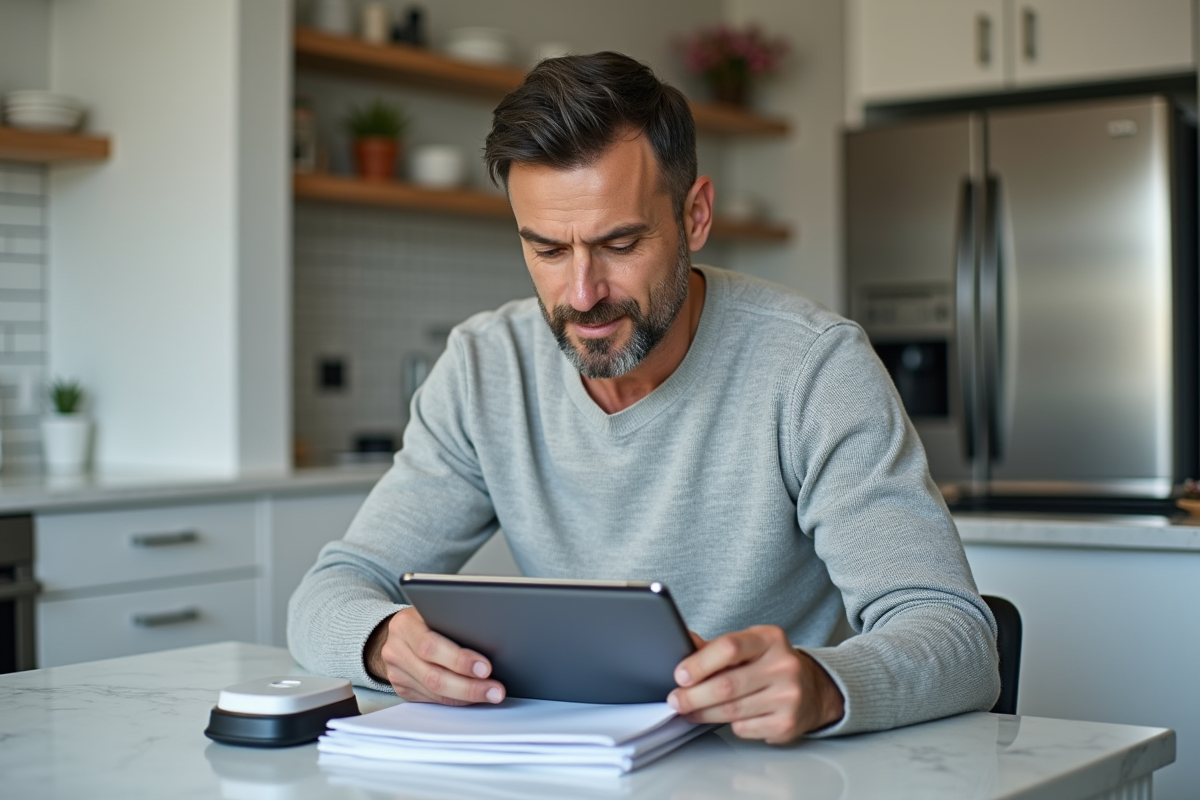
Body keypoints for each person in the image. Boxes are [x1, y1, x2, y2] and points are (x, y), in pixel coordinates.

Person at [289, 51, 999, 743]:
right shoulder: (485, 367)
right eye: (547, 249)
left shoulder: (814, 368)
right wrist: (384, 640)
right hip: (575, 766)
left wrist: (824, 684)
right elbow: (330, 591)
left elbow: (958, 639)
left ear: (695, 216)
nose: (582, 294)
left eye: (621, 243)